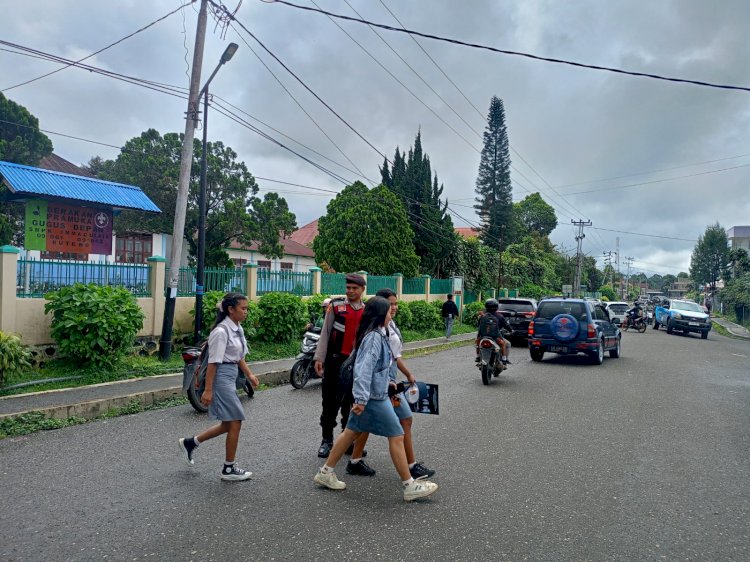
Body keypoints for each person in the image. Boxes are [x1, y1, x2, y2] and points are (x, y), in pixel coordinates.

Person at [312, 296, 439, 502]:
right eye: (389, 310)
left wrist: (386, 382)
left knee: (349, 433)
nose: (393, 312)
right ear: (381, 314)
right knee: (397, 435)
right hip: (372, 398)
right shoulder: (374, 337)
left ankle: (325, 472)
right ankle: (409, 485)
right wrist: (361, 399)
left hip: (374, 393)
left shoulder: (378, 333)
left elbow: (377, 368)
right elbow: (363, 370)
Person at [346, 288, 436, 480]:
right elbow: (375, 362)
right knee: (402, 422)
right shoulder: (378, 330)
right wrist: (404, 374)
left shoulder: (389, 324)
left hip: (388, 384)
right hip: (384, 386)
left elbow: (394, 357)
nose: (394, 308)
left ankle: (351, 462)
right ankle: (410, 470)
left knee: (363, 425)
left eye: (396, 304)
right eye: (390, 304)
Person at [178, 292, 259, 481]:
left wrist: (249, 374)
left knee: (227, 423)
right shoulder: (221, 332)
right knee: (236, 420)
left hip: (230, 376)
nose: (246, 312)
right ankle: (228, 469)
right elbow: (214, 362)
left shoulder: (237, 329)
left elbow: (239, 357)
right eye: (243, 308)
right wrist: (208, 390)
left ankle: (191, 443)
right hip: (221, 377)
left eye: (247, 308)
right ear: (230, 309)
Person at [313, 274, 367, 458]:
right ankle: (326, 441)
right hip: (335, 362)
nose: (351, 291)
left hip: (355, 365)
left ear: (362, 290)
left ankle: (347, 441)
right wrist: (319, 357)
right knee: (329, 404)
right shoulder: (336, 306)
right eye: (348, 288)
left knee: (350, 405)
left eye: (355, 288)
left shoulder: (367, 311)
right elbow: (325, 333)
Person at [475, 299, 510, 364]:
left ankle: (478, 356)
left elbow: (478, 325)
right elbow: (506, 325)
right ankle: (504, 359)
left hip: (483, 336)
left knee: (477, 343)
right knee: (505, 344)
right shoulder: (499, 316)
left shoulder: (482, 315)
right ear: (496, 307)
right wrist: (510, 330)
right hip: (495, 337)